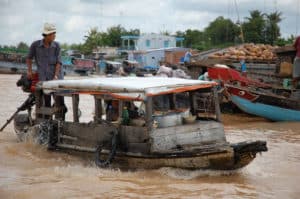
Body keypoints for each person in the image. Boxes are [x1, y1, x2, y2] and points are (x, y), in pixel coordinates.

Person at [26, 22, 66, 119]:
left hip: (56, 78)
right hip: (44, 78)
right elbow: (29, 58)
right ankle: (48, 122)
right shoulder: (35, 45)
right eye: (53, 34)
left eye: (54, 33)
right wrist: (29, 71)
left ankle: (60, 121)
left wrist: (56, 76)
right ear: (47, 35)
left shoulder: (56, 46)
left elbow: (59, 62)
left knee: (60, 102)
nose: (54, 36)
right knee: (46, 101)